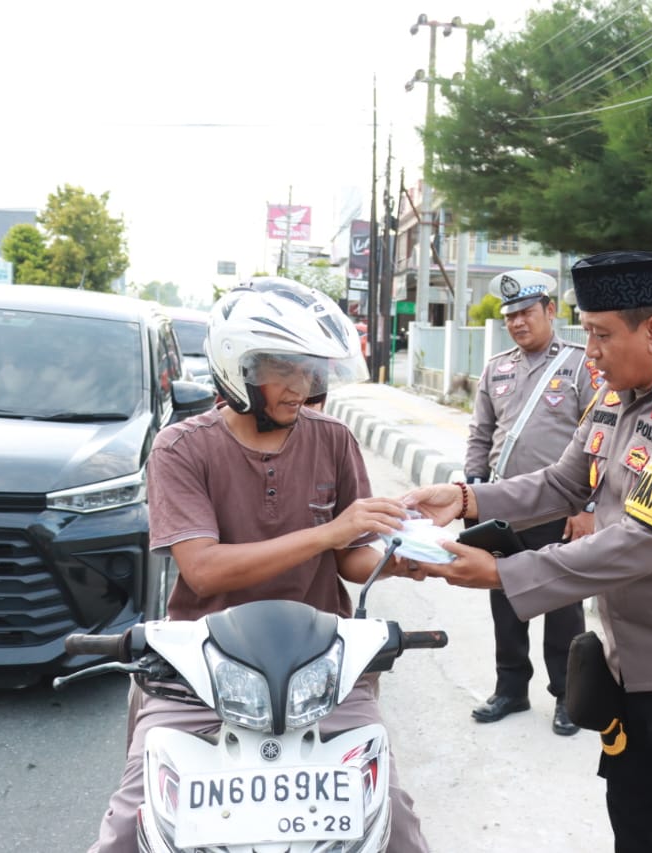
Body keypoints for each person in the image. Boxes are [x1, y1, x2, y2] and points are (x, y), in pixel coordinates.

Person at [406, 250, 652, 853]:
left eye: (601, 336)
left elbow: (640, 543)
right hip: (629, 669)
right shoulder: (616, 397)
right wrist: (466, 497)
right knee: (636, 828)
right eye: (587, 334)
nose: (590, 352)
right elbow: (562, 483)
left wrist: (506, 573)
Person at [90, 282, 430, 853]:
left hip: (323, 662)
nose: (304, 386)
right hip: (200, 666)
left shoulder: (334, 441)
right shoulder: (180, 449)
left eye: (311, 370)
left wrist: (404, 562)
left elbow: (351, 558)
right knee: (131, 825)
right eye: (285, 368)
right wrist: (331, 530)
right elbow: (203, 570)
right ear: (238, 369)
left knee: (394, 820)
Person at [464, 269, 594, 736]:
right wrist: (473, 491)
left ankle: (566, 696)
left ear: (550, 312)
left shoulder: (579, 365)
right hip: (503, 509)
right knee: (504, 599)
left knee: (563, 605)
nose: (518, 323)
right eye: (510, 316)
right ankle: (511, 688)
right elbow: (481, 433)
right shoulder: (496, 367)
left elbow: (599, 439)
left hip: (560, 508)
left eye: (526, 313)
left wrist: (588, 509)